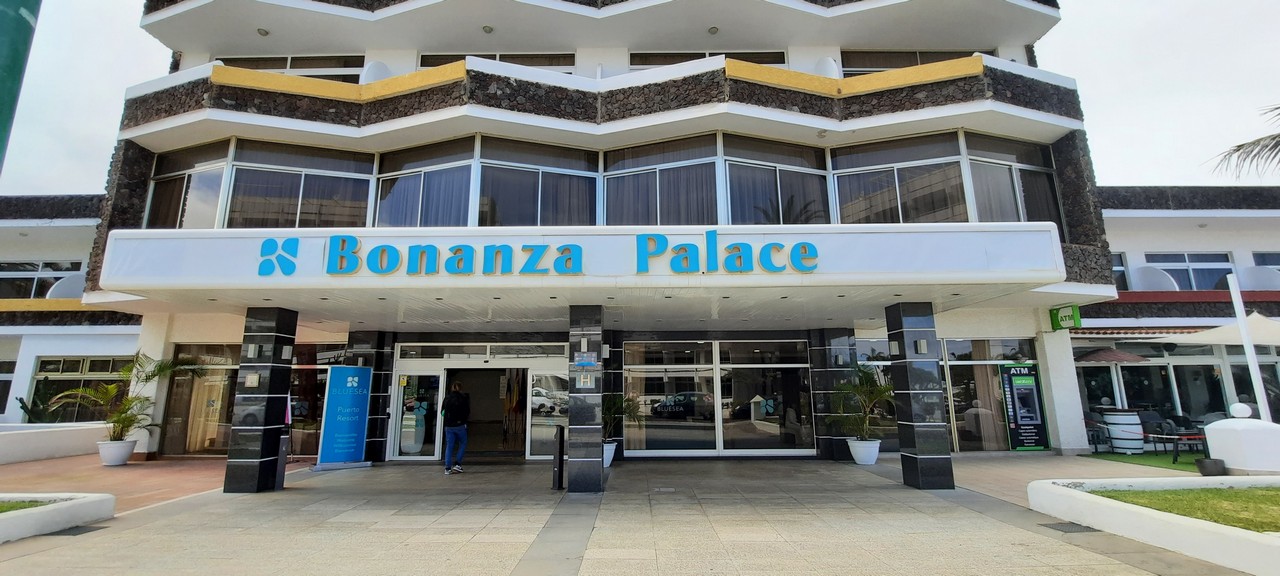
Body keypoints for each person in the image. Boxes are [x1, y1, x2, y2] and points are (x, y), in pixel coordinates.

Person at [441, 381, 470, 475]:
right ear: (461, 388)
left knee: (449, 446)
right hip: (460, 425)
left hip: (449, 426)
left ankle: (447, 468)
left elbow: (442, 412)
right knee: (463, 443)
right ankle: (458, 464)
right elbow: (467, 412)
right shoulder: (463, 398)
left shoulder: (447, 398)